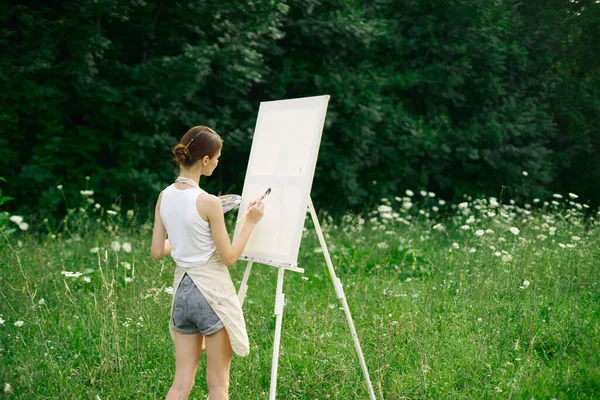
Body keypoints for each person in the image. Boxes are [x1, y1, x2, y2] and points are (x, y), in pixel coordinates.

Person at [150, 125, 265, 400]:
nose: (217, 162)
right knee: (217, 385)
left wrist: (182, 239)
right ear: (204, 161)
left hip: (182, 294)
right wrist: (250, 221)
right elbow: (228, 258)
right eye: (216, 158)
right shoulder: (208, 202)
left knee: (180, 384)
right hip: (210, 294)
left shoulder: (164, 196)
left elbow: (157, 251)